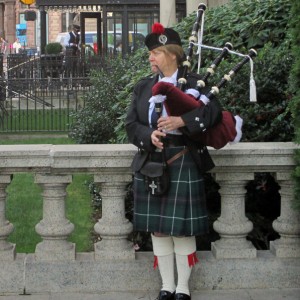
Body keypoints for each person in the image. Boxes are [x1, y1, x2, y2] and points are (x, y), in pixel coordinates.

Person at [125, 23, 224, 300]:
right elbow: (131, 124)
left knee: (181, 230)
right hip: (152, 163)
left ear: (171, 53)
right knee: (159, 229)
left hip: (183, 160)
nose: (150, 57)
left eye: (155, 52)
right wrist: (149, 135)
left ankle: (183, 288)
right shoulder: (144, 87)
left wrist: (183, 120)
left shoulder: (194, 84)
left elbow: (214, 113)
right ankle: (167, 286)